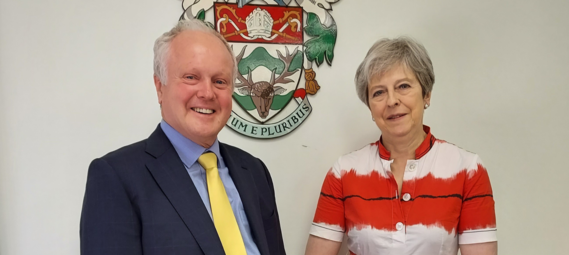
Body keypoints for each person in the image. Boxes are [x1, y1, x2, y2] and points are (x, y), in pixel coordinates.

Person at [80, 19, 286, 255]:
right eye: (191, 77)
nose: (207, 93)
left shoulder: (255, 171)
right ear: (160, 87)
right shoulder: (116, 177)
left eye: (219, 81)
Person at [305, 37, 497, 255]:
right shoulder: (343, 172)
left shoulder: (468, 170)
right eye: (378, 92)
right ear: (370, 107)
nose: (392, 101)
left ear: (426, 94)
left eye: (403, 86)